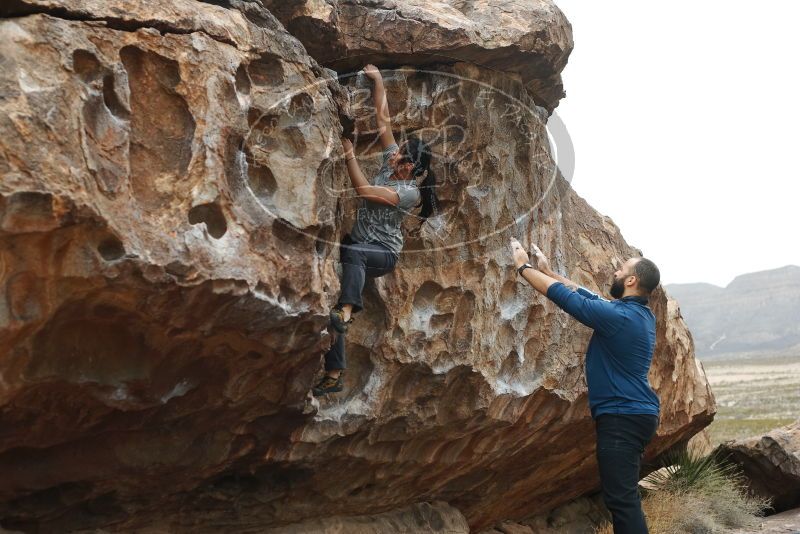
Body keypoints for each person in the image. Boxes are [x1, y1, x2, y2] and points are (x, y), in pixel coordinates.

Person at [510, 237, 661, 534]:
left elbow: (569, 300)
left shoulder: (619, 317)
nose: (615, 273)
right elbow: (589, 296)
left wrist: (523, 267)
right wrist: (550, 271)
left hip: (622, 418)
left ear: (631, 280)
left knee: (622, 500)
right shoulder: (637, 315)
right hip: (635, 415)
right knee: (624, 497)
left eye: (620, 270)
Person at [313, 64, 439, 396]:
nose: (394, 151)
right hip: (358, 244)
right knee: (335, 303)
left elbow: (366, 193)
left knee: (349, 277)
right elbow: (384, 121)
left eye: (401, 154)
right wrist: (378, 81)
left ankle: (348, 308)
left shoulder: (409, 193)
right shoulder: (390, 162)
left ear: (410, 166)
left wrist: (350, 154)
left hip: (383, 254)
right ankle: (335, 371)